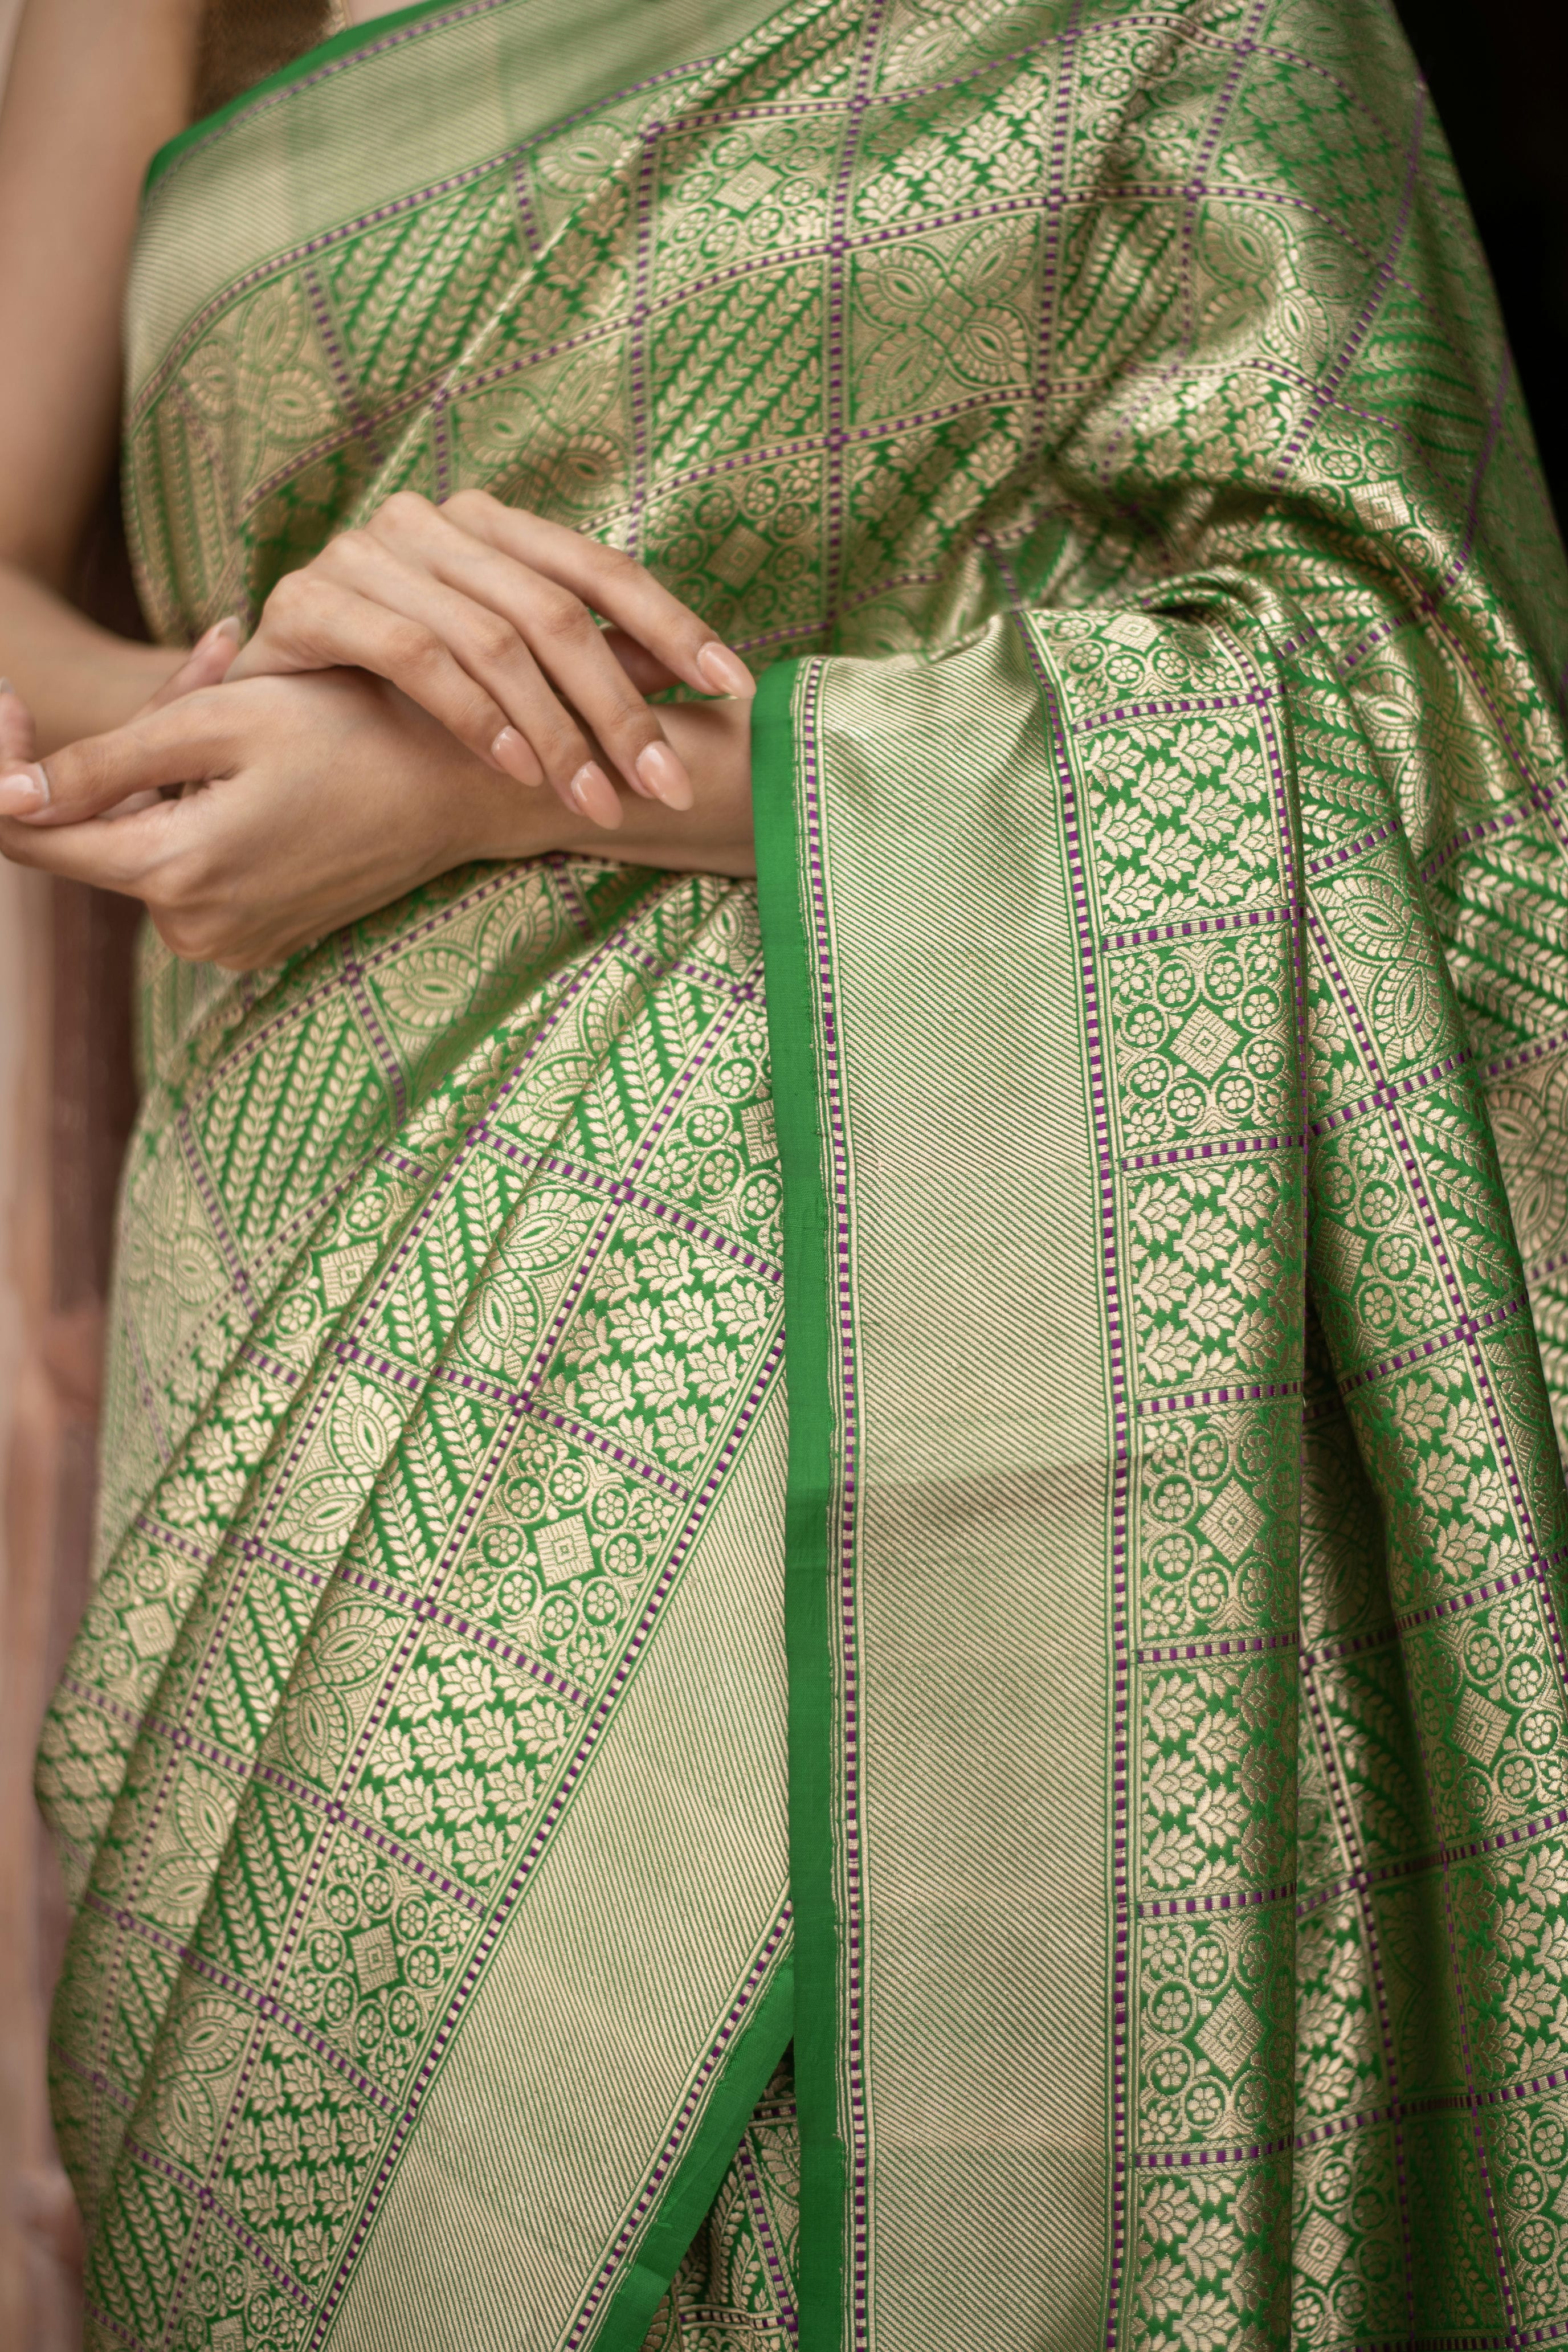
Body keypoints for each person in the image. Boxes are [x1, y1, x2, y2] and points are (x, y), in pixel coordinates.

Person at [5, 0, 1568, 2342]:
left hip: (1025, 1300)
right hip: (334, 1316)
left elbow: (1392, 686)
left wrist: (519, 776)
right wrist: (254, 718)